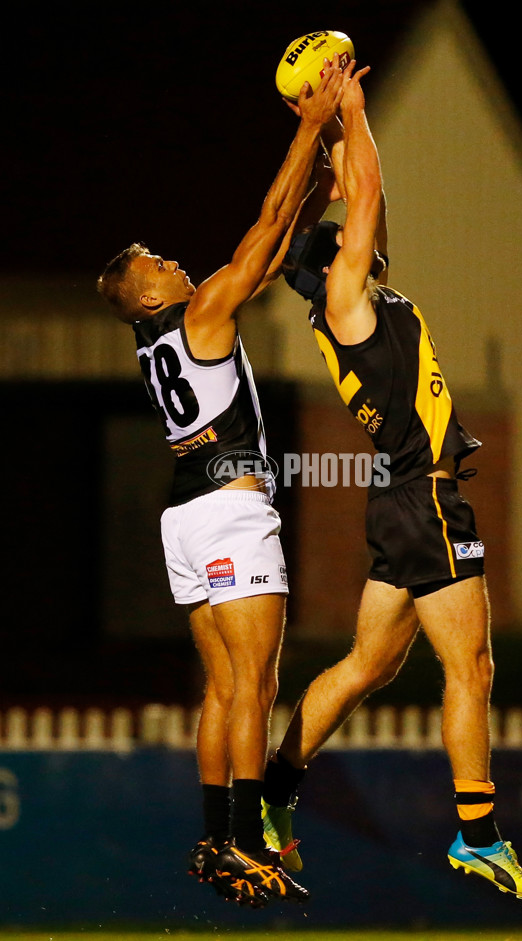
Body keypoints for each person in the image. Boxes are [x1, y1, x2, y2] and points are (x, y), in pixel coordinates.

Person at [260, 62, 522, 902]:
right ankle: (480, 834)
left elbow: (360, 194)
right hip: (423, 492)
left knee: (367, 665)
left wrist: (340, 137)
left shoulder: (347, 297)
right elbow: (372, 200)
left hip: (399, 496)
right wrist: (349, 106)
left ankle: (275, 795)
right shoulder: (348, 294)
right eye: (350, 238)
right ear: (336, 261)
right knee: (473, 668)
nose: (367, 235)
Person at [96, 60, 345, 908]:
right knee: (256, 684)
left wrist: (321, 192)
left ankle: (213, 841)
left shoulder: (159, 340)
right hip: (232, 510)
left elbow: (270, 253)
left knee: (221, 687)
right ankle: (241, 842)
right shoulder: (198, 314)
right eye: (160, 262)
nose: (174, 261)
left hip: (184, 517)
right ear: (148, 294)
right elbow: (263, 227)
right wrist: (311, 128)